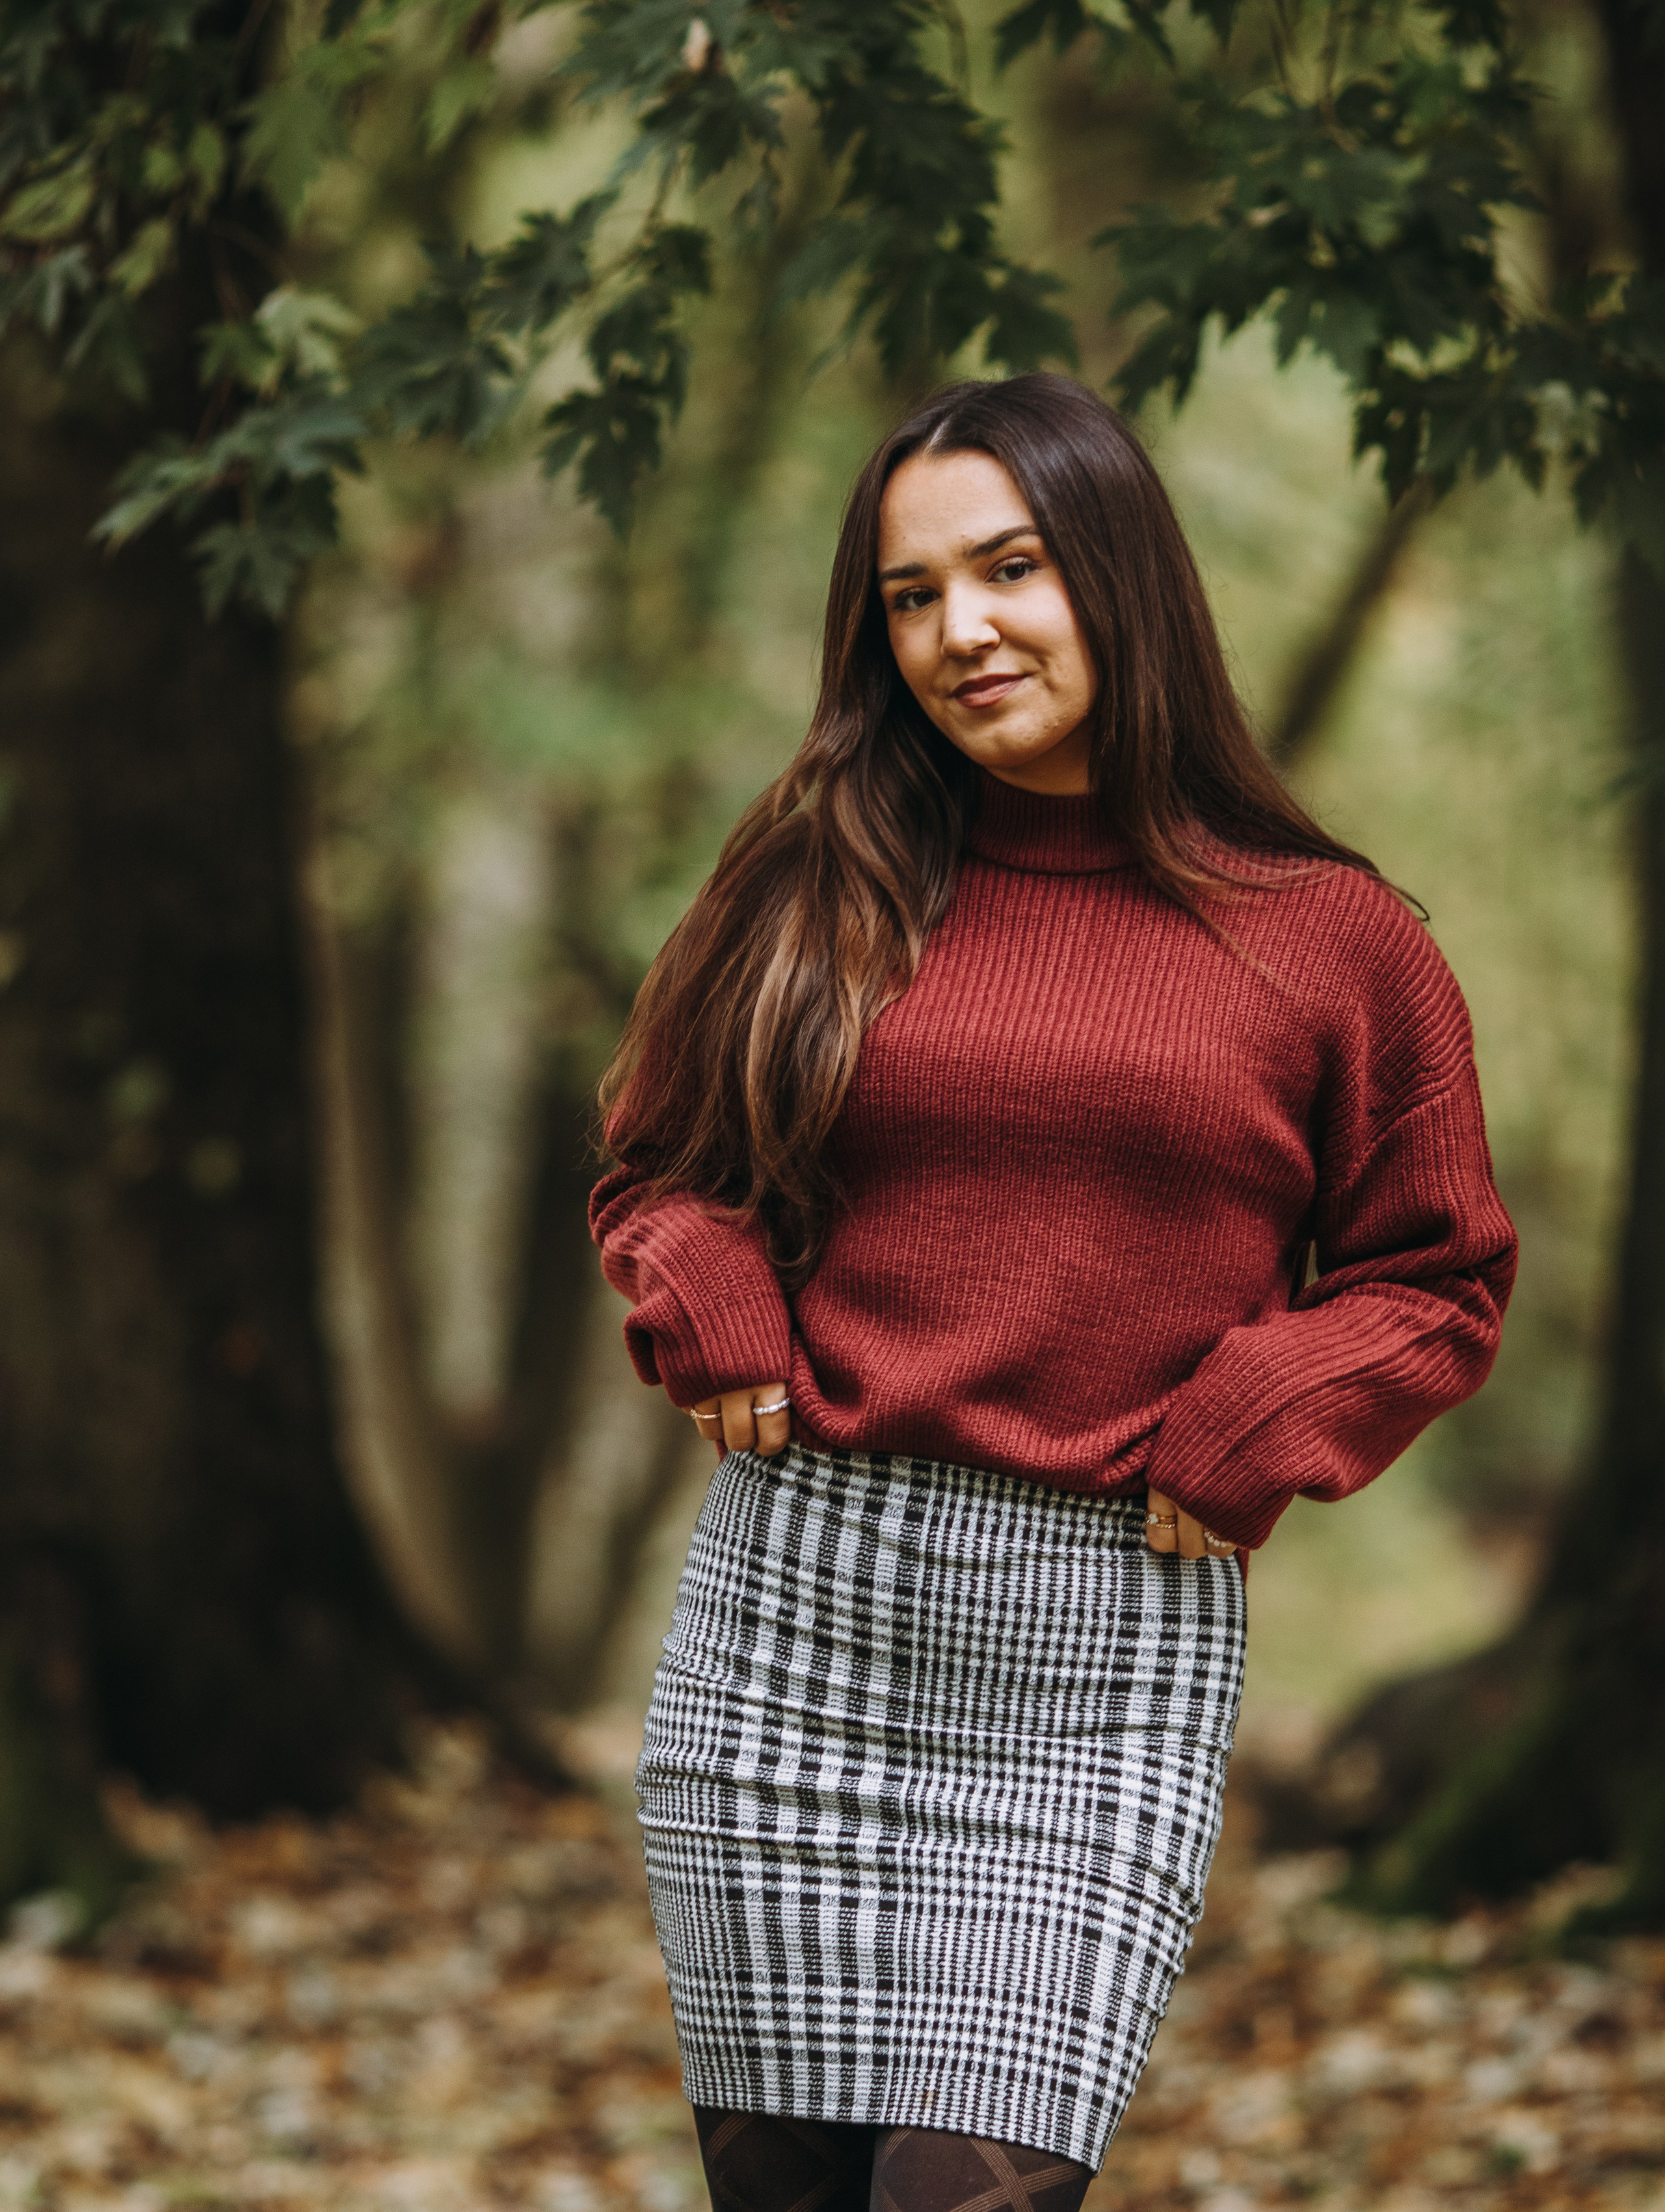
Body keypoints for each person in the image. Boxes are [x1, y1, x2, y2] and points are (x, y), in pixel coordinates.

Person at [589, 373, 1516, 2212]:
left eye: (1008, 569)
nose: (961, 632)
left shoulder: (1338, 940)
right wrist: (712, 1303)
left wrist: (1264, 1411)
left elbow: (1440, 1274)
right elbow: (656, 1167)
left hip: (1101, 1650)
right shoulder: (814, 876)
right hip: (793, 1626)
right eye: (911, 596)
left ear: (1120, 573)